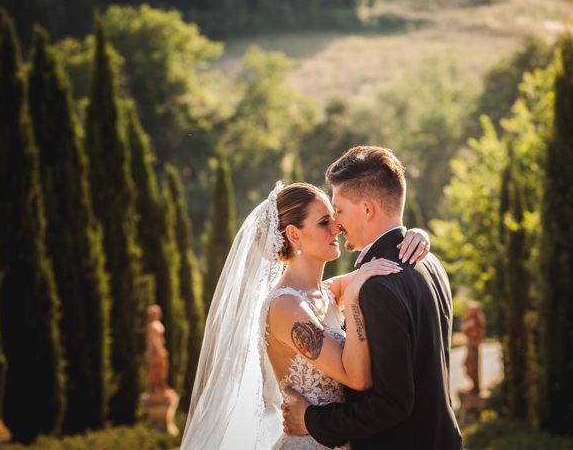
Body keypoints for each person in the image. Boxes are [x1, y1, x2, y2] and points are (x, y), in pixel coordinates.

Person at [180, 180, 432, 449]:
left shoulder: (327, 291)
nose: (337, 227)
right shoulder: (286, 308)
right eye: (324, 222)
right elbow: (358, 378)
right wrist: (353, 301)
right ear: (294, 235)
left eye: (334, 218)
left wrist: (415, 235)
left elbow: (384, 263)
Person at [282, 146, 463, 449]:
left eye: (337, 211)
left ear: (367, 209)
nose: (336, 224)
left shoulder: (377, 284)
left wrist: (312, 420)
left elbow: (391, 404)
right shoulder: (429, 261)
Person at [460, 302, 486, 395]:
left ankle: (475, 387)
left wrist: (476, 341)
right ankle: (474, 385)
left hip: (474, 345)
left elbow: (480, 332)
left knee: (473, 366)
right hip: (470, 344)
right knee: (467, 364)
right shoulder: (469, 319)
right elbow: (463, 329)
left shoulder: (477, 319)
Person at [145, 304, 169, 396]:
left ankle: (161, 386)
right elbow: (154, 340)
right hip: (155, 352)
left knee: (161, 368)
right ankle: (155, 387)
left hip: (158, 350)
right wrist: (160, 351)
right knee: (156, 368)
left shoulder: (155, 324)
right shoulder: (152, 326)